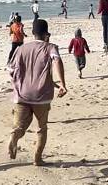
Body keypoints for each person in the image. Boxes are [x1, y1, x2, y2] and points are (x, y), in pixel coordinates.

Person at [8, 19, 67, 166]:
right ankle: (37, 158)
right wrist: (62, 84)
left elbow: (11, 71)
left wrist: (18, 84)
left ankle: (15, 137)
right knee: (41, 128)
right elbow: (57, 61)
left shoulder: (20, 49)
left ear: (33, 33)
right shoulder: (51, 47)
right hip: (41, 95)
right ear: (46, 34)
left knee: (20, 126)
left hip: (21, 94)